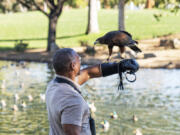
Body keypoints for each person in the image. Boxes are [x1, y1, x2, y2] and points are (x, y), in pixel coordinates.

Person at [45, 48, 139, 135]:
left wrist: (119, 66)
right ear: (73, 66)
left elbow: (88, 73)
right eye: (79, 59)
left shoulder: (54, 85)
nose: (81, 62)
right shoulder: (73, 100)